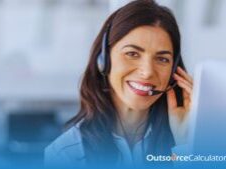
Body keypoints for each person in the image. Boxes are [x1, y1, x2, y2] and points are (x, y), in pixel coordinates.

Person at [45, 0, 193, 168]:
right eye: (132, 53)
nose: (148, 71)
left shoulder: (191, 142)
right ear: (104, 60)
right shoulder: (66, 153)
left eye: (162, 59)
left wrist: (185, 142)